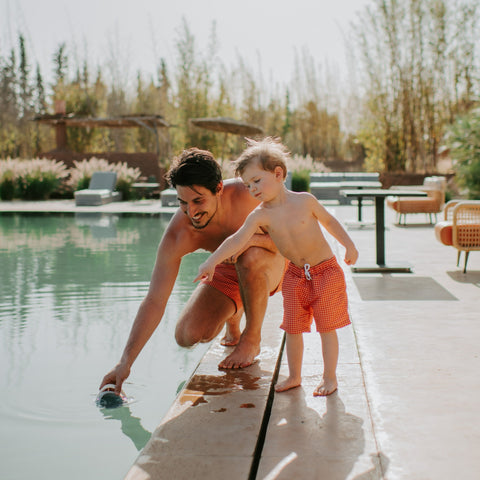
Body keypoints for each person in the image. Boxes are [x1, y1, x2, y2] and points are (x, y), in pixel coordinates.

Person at [100, 147, 286, 395]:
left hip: (272, 259)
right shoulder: (179, 233)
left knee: (249, 256)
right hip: (227, 267)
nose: (191, 212)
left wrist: (251, 240)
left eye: (198, 201)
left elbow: (293, 237)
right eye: (183, 202)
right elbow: (155, 300)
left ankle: (251, 339)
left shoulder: (249, 194)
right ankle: (235, 315)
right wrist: (125, 362)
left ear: (218, 189)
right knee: (188, 334)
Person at [195, 137, 359, 396]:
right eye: (248, 185)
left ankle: (329, 377)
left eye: (256, 181)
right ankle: (294, 376)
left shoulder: (305, 201)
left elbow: (329, 222)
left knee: (326, 327)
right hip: (295, 275)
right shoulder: (260, 215)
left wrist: (349, 245)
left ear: (279, 174)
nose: (252, 189)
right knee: (293, 328)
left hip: (324, 272)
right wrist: (211, 261)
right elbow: (237, 240)